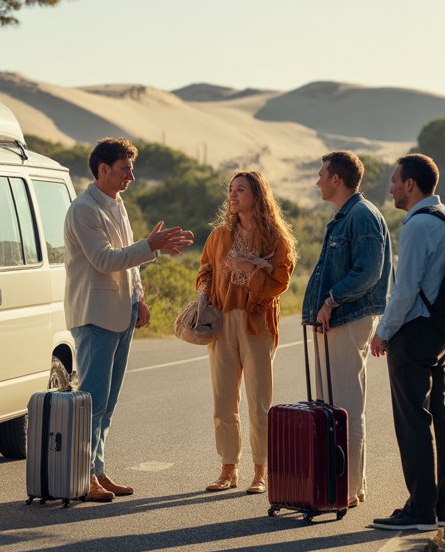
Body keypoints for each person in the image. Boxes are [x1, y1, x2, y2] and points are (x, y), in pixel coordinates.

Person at [64, 138, 194, 502]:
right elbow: (104, 260)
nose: (131, 177)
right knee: (91, 401)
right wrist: (150, 246)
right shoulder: (83, 209)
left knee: (107, 403)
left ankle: (98, 471)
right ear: (102, 169)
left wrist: (139, 297)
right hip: (95, 316)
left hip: (122, 313)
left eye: (131, 169)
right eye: (125, 169)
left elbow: (127, 256)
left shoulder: (116, 204)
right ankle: (82, 475)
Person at [369, 153, 445, 532]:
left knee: (413, 421)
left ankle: (420, 511)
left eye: (394, 180)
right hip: (438, 330)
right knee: (438, 414)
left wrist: (383, 332)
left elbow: (404, 292)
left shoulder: (419, 225)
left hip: (414, 330)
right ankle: (443, 508)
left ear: (410, 185)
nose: (390, 187)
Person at [302, 151, 393, 507]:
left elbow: (368, 271)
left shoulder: (362, 215)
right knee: (333, 406)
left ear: (337, 179)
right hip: (336, 321)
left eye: (322, 173)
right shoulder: (347, 216)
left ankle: (349, 488)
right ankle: (340, 485)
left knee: (346, 407)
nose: (318, 179)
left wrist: (330, 301)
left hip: (346, 319)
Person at [197, 171, 296, 495]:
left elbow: (280, 282)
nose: (233, 195)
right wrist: (203, 291)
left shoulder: (275, 238)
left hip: (257, 324)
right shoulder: (219, 236)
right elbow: (205, 270)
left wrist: (250, 270)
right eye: (231, 190)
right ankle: (228, 469)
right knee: (223, 401)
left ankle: (260, 471)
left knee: (259, 402)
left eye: (240, 189)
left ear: (257, 195)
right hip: (222, 322)